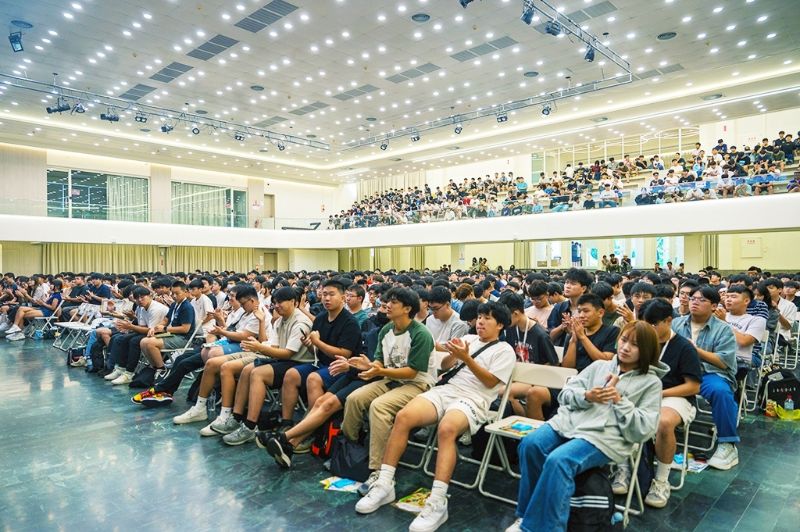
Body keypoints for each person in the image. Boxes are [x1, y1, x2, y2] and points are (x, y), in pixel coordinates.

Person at [356, 302, 515, 532]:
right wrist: (454, 355)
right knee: (403, 416)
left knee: (447, 429)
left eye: (487, 318)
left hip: (475, 398)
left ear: (500, 325)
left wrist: (467, 358)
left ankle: (438, 501)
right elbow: (446, 367)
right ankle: (384, 484)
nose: (480, 322)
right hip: (447, 390)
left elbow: (490, 383)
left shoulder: (505, 350)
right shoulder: (468, 339)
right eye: (480, 317)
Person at [506, 321, 667, 532]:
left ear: (646, 350)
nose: (626, 347)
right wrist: (587, 396)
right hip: (569, 423)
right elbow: (565, 394)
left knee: (559, 461)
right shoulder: (600, 366)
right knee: (530, 444)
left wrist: (620, 401)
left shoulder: (651, 383)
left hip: (604, 436)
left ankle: (543, 528)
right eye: (624, 340)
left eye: (635, 345)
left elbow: (644, 430)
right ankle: (527, 516)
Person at [339, 287, 434, 480]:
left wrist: (379, 370)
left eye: (394, 302)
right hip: (391, 379)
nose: (387, 305)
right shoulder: (386, 330)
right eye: (388, 301)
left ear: (407, 309)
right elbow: (380, 361)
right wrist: (369, 366)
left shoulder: (420, 334)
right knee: (354, 399)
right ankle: (349, 451)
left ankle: (379, 469)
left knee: (379, 406)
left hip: (417, 385)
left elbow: (412, 371)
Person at [629, 299, 703, 508]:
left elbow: (693, 386)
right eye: (644, 324)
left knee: (663, 422)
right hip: (642, 392)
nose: (648, 329)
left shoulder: (684, 347)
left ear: (668, 320)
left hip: (674, 396)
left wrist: (660, 393)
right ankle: (625, 469)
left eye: (653, 324)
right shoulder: (639, 342)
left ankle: (661, 481)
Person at [672, 286, 739, 470]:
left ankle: (727, 444)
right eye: (692, 298)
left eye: (702, 300)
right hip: (681, 372)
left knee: (721, 392)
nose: (695, 302)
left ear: (714, 306)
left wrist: (695, 350)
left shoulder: (723, 329)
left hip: (708, 373)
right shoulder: (676, 323)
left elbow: (724, 362)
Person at [527, 294, 618, 421]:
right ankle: (538, 430)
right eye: (579, 311)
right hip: (570, 382)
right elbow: (567, 367)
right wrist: (573, 340)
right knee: (533, 393)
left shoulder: (612, 331)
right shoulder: (575, 333)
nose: (581, 315)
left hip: (593, 385)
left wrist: (583, 338)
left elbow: (604, 360)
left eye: (586, 311)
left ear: (600, 312)